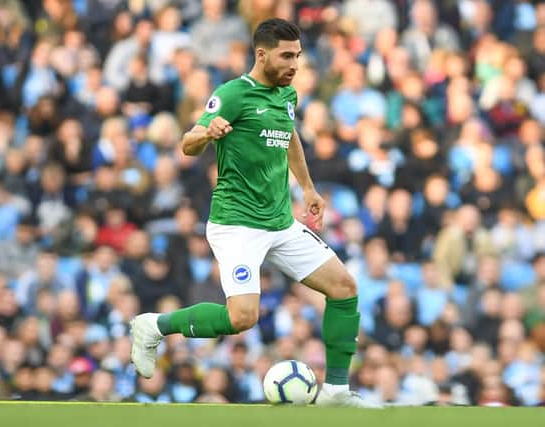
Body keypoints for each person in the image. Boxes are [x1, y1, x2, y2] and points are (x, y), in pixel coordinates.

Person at [130, 18, 378, 408]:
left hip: (280, 221)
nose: (295, 64)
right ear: (261, 55)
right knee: (242, 317)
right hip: (237, 225)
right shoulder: (232, 94)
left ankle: (335, 393)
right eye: (287, 56)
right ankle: (153, 326)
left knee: (344, 287)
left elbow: (289, 135)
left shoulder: (287, 95)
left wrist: (308, 187)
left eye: (297, 55)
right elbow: (187, 142)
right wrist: (206, 134)